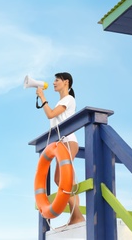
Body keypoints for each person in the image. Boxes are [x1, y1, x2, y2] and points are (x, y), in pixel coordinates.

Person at [36, 72, 85, 225]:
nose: (54, 83)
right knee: (60, 179)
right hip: (61, 144)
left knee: (63, 179)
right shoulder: (61, 101)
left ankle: (77, 216)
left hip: (68, 142)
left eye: (57, 80)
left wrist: (42, 97)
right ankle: (76, 216)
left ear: (66, 82)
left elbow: (50, 115)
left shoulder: (69, 99)